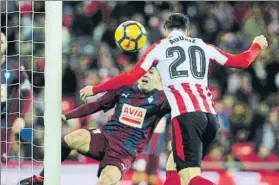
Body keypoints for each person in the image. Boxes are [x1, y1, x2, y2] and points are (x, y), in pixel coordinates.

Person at [79, 13, 268, 185]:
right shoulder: (203, 46)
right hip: (210, 118)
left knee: (189, 177)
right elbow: (242, 61)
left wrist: (96, 88)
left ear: (165, 30)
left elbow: (130, 77)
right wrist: (257, 44)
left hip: (187, 117)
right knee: (173, 166)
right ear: (187, 30)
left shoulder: (159, 47)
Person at [18, 67, 170, 185]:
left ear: (158, 79)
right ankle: (41, 179)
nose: (145, 75)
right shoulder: (125, 88)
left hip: (124, 153)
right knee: (72, 138)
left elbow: (184, 109)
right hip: (105, 137)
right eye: (143, 72)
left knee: (105, 181)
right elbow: (97, 105)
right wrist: (66, 115)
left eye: (150, 72)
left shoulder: (163, 100)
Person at [1, 32, 32, 162]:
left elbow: (27, 93)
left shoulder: (14, 68)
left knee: (2, 160)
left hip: (4, 122)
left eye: (1, 42)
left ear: (6, 45)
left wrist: (21, 117)